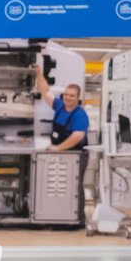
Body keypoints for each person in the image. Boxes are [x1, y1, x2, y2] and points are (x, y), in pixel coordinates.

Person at [33, 65, 89, 224]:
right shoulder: (59, 106)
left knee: (75, 186)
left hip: (76, 155)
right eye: (66, 94)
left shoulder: (80, 114)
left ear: (77, 98)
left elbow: (78, 136)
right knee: (59, 186)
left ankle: (78, 219)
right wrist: (38, 72)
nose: (68, 98)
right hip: (61, 153)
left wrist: (58, 148)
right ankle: (59, 216)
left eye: (71, 96)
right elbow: (45, 92)